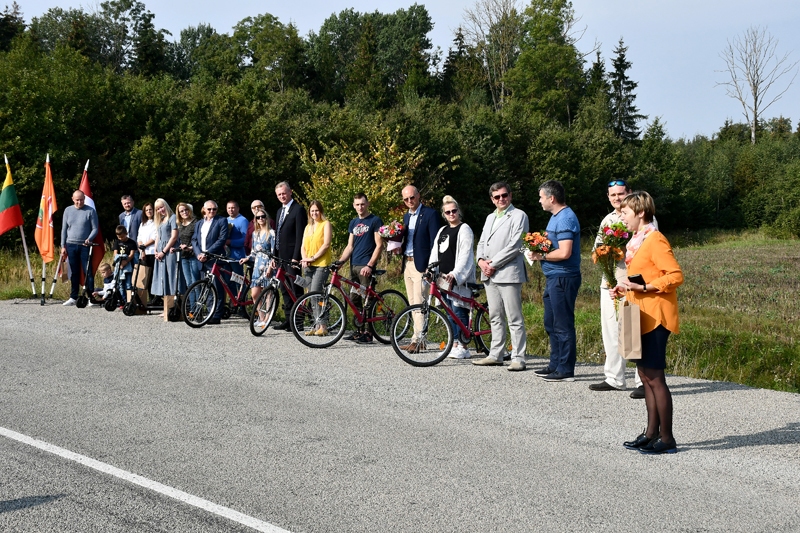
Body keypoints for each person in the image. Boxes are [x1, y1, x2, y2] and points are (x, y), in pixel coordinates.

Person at [610, 191, 684, 454]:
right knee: (644, 375)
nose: (623, 219)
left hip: (656, 316)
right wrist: (625, 288)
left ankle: (667, 439)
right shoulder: (637, 241)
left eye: (626, 214)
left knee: (655, 377)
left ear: (641, 212)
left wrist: (647, 287)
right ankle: (651, 433)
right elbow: (640, 278)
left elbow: (675, 276)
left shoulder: (655, 240)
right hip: (640, 314)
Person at [589, 180, 648, 398]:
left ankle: (643, 380)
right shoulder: (608, 219)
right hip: (610, 281)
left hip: (630, 281)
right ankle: (614, 377)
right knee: (611, 330)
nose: (617, 198)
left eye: (621, 194)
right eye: (612, 195)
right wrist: (603, 253)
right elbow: (597, 248)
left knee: (632, 330)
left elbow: (644, 249)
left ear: (630, 193)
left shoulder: (641, 216)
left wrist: (621, 250)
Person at [526, 180, 582, 382]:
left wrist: (541, 256)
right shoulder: (555, 218)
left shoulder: (566, 218)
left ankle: (566, 369)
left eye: (541, 197)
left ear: (552, 198)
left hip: (564, 277)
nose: (539, 201)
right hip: (553, 277)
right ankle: (555, 364)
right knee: (551, 322)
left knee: (563, 323)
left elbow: (565, 252)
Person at [473, 182, 529, 371]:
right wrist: (480, 261)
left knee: (514, 317)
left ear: (510, 195)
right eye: (497, 197)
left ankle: (518, 357)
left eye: (504, 195)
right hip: (489, 273)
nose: (501, 199)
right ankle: (496, 354)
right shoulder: (490, 217)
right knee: (495, 315)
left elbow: (516, 245)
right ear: (492, 199)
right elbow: (481, 242)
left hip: (507, 273)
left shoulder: (519, 215)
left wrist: (493, 264)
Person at [428, 195, 475, 359]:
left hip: (457, 279)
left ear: (459, 212)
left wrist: (455, 273)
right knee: (449, 312)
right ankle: (454, 343)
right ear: (444, 214)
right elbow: (435, 252)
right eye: (448, 212)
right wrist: (430, 269)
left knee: (458, 310)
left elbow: (465, 255)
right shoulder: (442, 230)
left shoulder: (464, 229)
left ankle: (464, 345)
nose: (451, 214)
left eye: (454, 211)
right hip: (443, 278)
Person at [397, 185, 441, 352]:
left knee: (420, 302)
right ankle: (416, 338)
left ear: (418, 196)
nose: (409, 201)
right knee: (412, 302)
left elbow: (434, 243)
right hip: (408, 263)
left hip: (421, 265)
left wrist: (431, 267)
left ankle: (419, 340)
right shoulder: (406, 216)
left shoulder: (430, 214)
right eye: (406, 199)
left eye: (412, 197)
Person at [336, 192, 383, 344]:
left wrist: (370, 265)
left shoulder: (375, 220)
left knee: (366, 300)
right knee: (354, 298)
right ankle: (358, 330)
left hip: (365, 267)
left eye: (362, 204)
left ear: (367, 204)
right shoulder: (353, 222)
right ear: (353, 205)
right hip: (354, 266)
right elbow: (350, 246)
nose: (360, 207)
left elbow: (379, 245)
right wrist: (340, 262)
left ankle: (368, 333)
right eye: (357, 204)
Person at [273, 182, 307, 330]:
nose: (282, 196)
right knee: (284, 289)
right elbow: (278, 235)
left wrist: (296, 257)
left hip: (293, 256)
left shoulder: (298, 210)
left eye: (284, 193)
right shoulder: (279, 211)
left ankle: (298, 321)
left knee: (295, 288)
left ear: (290, 192)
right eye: (279, 194)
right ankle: (288, 319)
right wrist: (275, 256)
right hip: (281, 256)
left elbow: (300, 235)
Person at [192, 201, 229, 324]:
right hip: (201, 259)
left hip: (214, 259)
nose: (212, 211)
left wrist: (207, 253)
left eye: (214, 209)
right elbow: (194, 240)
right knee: (205, 287)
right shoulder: (199, 223)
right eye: (209, 209)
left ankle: (217, 314)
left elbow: (222, 239)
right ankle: (209, 312)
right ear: (204, 209)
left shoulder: (221, 221)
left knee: (217, 288)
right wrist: (198, 254)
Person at [299, 200, 333, 335]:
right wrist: (305, 259)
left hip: (321, 264)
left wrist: (313, 258)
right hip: (308, 265)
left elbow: (326, 244)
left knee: (316, 293)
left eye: (316, 210)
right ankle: (316, 325)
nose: (314, 213)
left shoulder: (326, 224)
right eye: (312, 211)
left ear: (321, 211)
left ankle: (323, 325)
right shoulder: (308, 227)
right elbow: (303, 246)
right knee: (310, 295)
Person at [60, 190, 99, 306]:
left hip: (85, 246)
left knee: (88, 272)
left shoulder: (90, 211)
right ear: (73, 199)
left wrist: (89, 239)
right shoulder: (68, 210)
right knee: (74, 272)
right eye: (77, 200)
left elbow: (95, 228)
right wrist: (63, 246)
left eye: (81, 199)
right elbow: (64, 229)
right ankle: (73, 297)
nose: (79, 202)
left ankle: (90, 298)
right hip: (70, 245)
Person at [241, 208, 275, 328]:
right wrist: (247, 258)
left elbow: (273, 252)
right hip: (257, 265)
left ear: (267, 218)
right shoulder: (255, 233)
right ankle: (260, 317)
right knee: (255, 293)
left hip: (267, 264)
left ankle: (267, 318)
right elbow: (254, 252)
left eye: (263, 217)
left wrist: (271, 266)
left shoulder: (271, 233)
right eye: (258, 217)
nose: (260, 219)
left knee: (268, 294)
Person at [150, 199, 179, 310]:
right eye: (157, 209)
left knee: (171, 277)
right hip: (161, 252)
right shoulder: (161, 220)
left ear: (166, 206)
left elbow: (174, 237)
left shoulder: (173, 218)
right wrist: (156, 251)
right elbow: (158, 236)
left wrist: (163, 251)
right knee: (163, 278)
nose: (160, 210)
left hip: (169, 251)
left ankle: (173, 306)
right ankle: (167, 307)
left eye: (161, 207)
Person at [226, 200, 250, 317]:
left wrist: (230, 242)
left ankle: (242, 305)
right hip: (227, 256)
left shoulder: (243, 220)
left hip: (237, 256)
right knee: (229, 281)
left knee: (239, 281)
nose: (231, 210)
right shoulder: (225, 220)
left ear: (238, 208)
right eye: (229, 208)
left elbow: (245, 240)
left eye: (233, 208)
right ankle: (233, 304)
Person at [176, 202, 200, 294]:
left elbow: (199, 240)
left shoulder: (196, 222)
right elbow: (179, 239)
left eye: (186, 210)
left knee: (195, 283)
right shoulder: (180, 224)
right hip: (184, 256)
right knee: (189, 283)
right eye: (181, 211)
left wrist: (190, 248)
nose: (184, 212)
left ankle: (199, 307)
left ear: (189, 210)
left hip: (194, 255)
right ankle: (192, 307)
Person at [136, 202, 157, 297]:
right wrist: (142, 250)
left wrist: (143, 246)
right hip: (144, 253)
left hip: (152, 252)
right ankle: (150, 297)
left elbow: (154, 238)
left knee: (153, 276)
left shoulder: (157, 222)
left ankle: (156, 297)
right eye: (146, 210)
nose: (149, 211)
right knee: (146, 277)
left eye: (150, 209)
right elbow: (139, 238)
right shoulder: (142, 224)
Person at [112, 225, 136, 302]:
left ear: (126, 233)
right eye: (119, 237)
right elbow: (115, 253)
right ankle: (123, 300)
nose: (121, 239)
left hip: (128, 265)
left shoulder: (131, 242)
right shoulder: (117, 242)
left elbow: (132, 254)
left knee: (128, 284)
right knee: (120, 284)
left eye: (122, 237)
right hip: (119, 265)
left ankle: (129, 301)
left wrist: (126, 262)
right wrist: (119, 263)